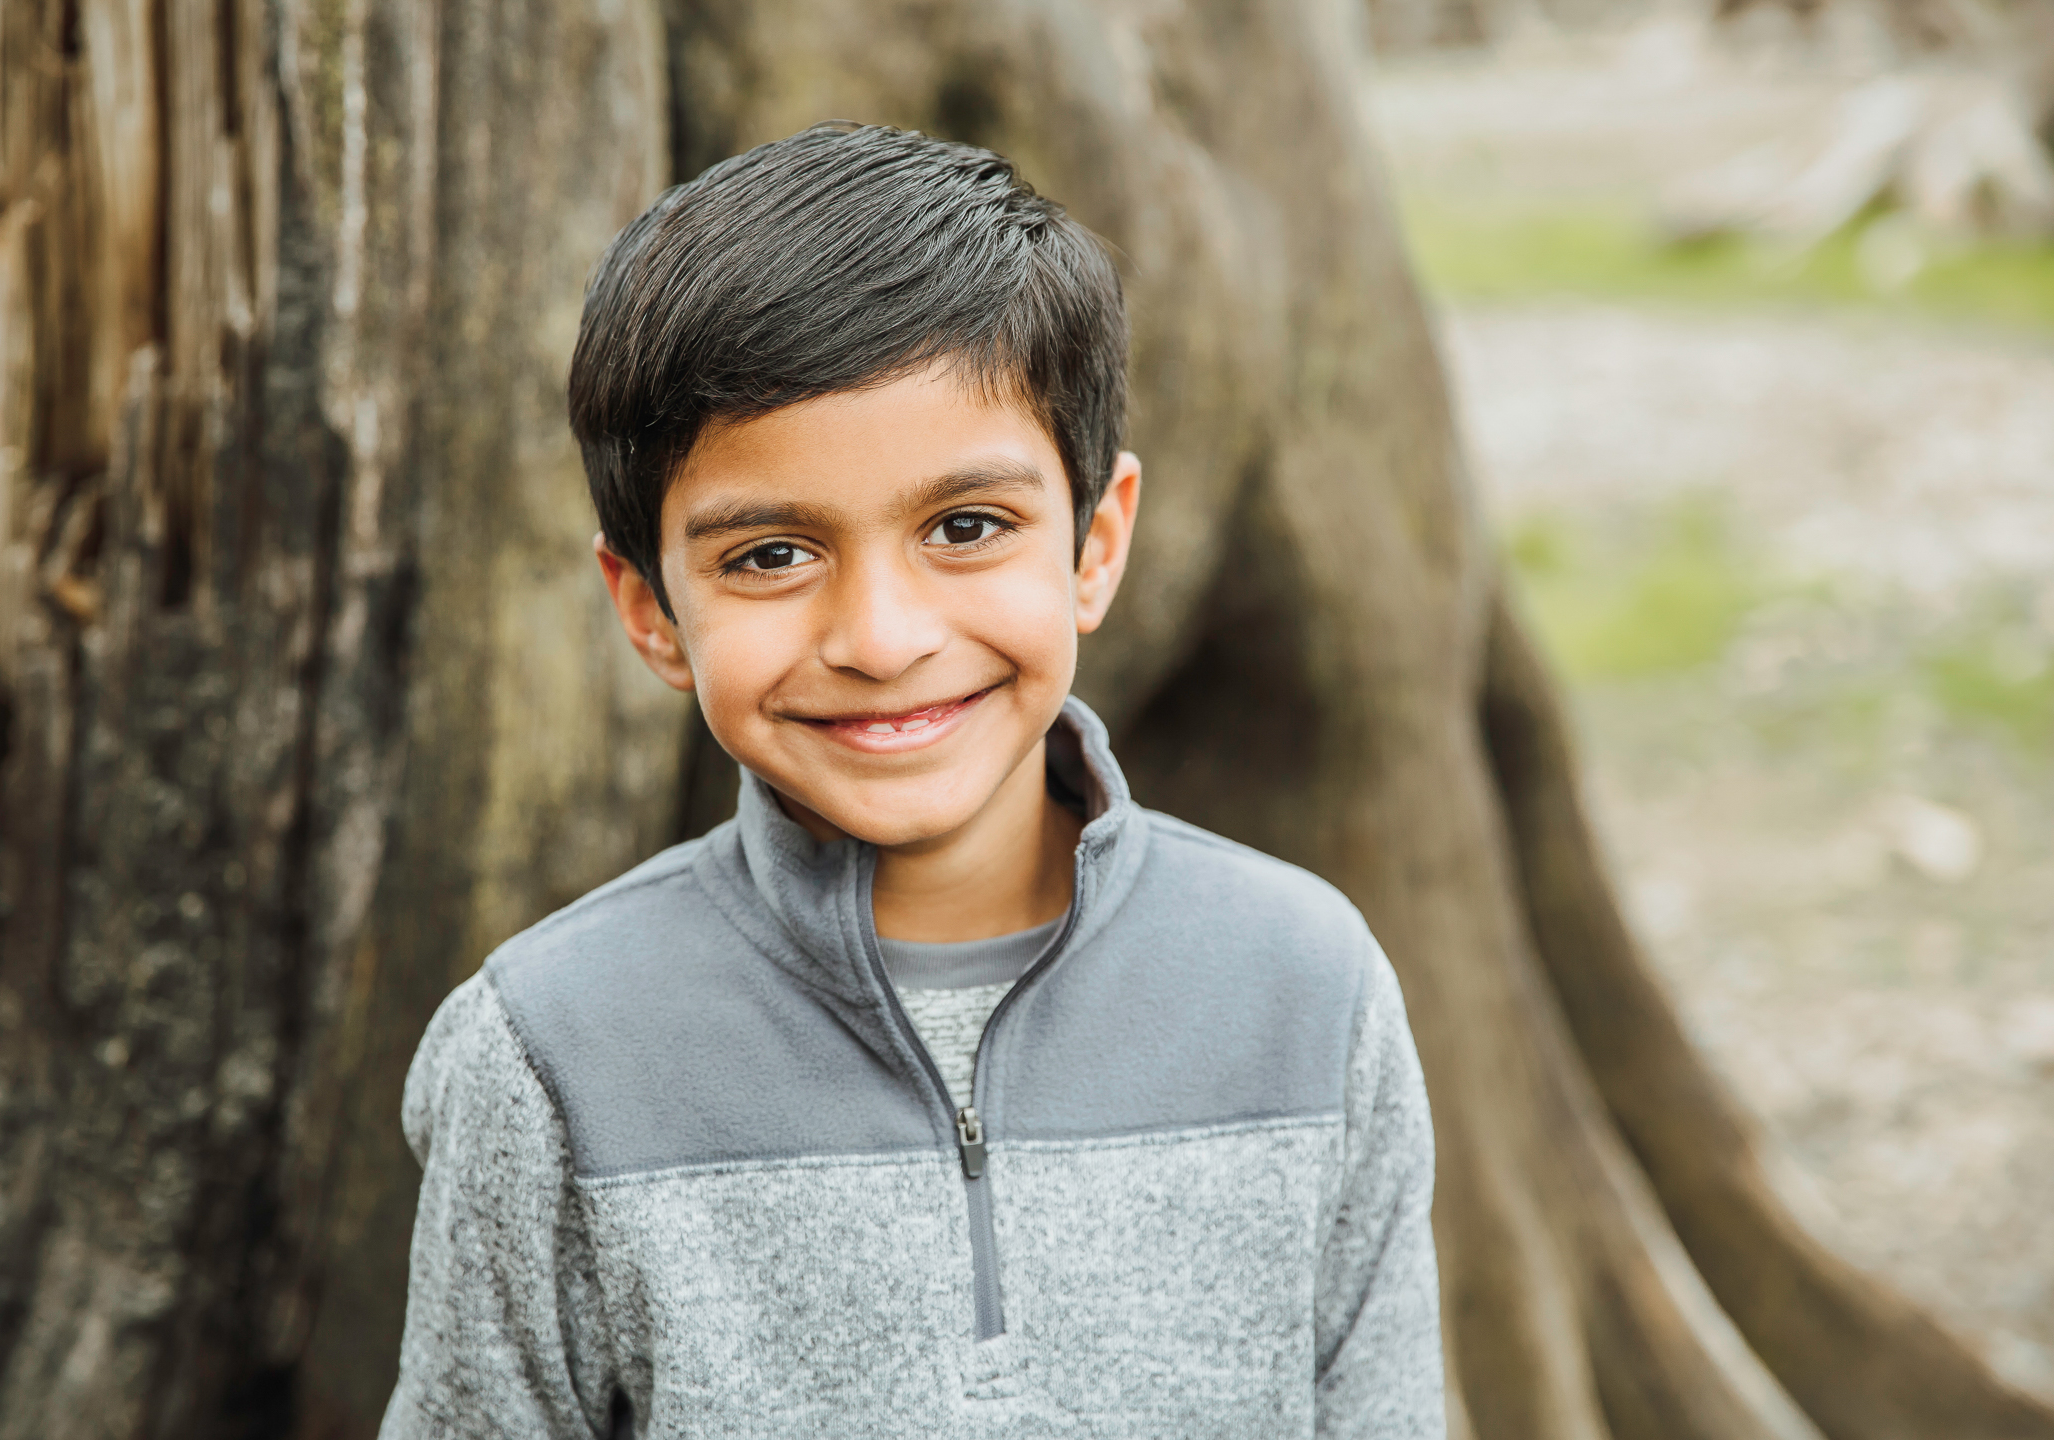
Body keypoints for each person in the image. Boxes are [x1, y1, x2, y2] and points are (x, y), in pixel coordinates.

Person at [381, 120, 1443, 1438]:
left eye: (966, 528)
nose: (882, 639)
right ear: (650, 609)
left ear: (1095, 545)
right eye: (770, 555)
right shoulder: (548, 1054)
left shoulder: (1308, 989)